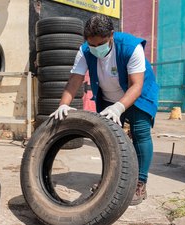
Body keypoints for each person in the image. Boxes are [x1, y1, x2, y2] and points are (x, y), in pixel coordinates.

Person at [50, 14, 159, 205]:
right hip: (109, 96)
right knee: (107, 136)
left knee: (140, 133)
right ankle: (110, 179)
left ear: (111, 35)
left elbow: (136, 85)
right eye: (91, 45)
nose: (95, 49)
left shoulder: (131, 47)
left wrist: (119, 107)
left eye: (100, 44)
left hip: (138, 94)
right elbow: (75, 79)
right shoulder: (85, 51)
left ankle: (139, 183)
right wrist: (63, 104)